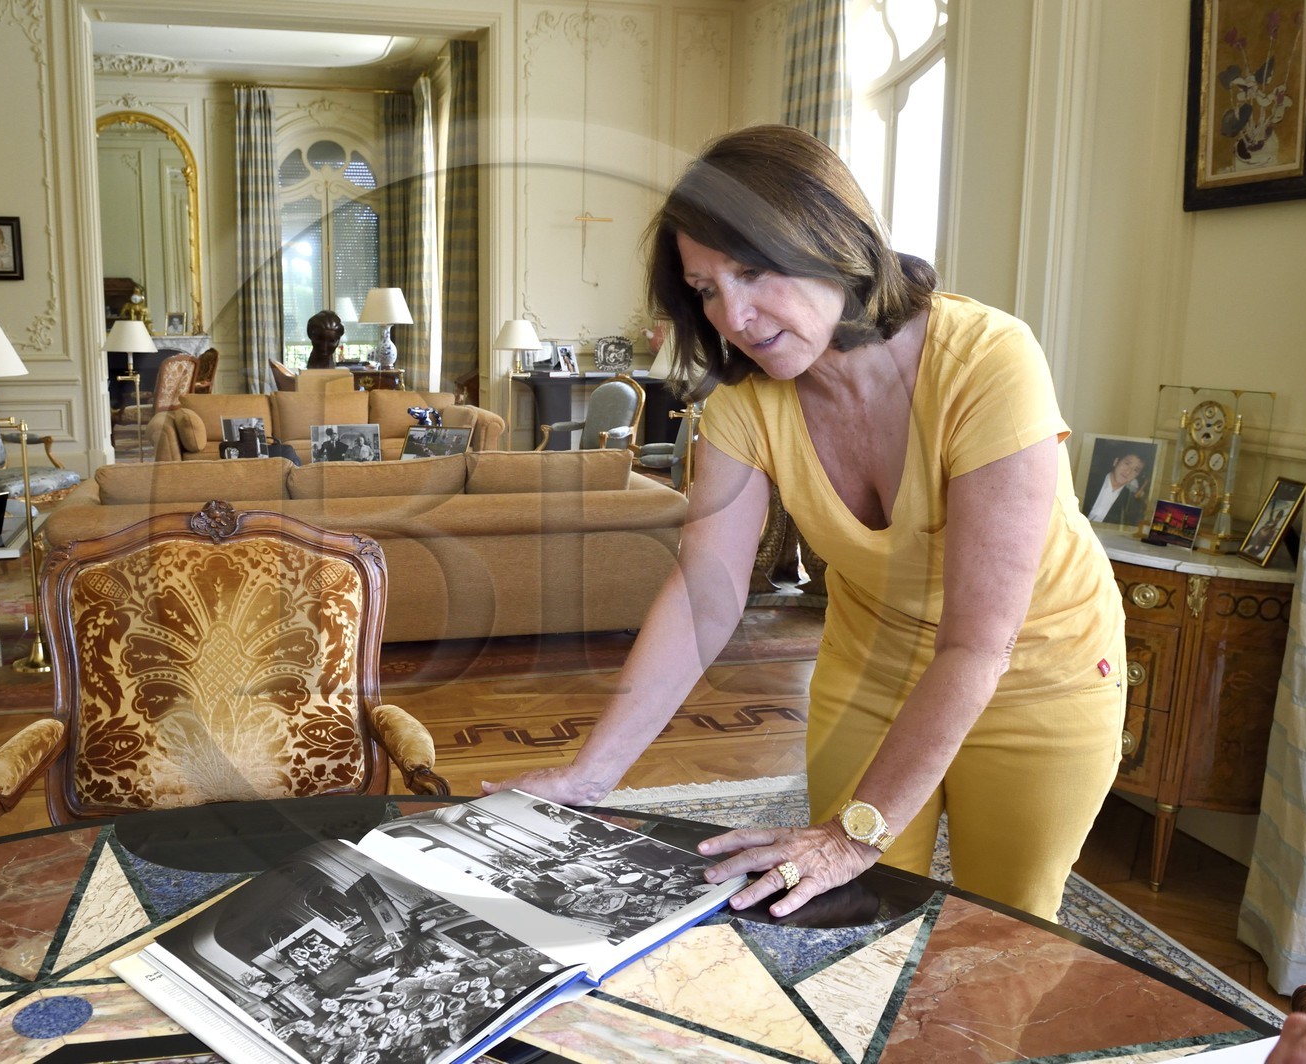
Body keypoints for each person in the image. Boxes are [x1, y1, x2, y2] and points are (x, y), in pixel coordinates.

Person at [483, 125, 1126, 923]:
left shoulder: (990, 359)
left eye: (753, 270)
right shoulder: (743, 408)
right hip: (872, 667)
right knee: (844, 915)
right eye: (708, 288)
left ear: (833, 238)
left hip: (1039, 673)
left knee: (1002, 928)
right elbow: (704, 597)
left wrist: (855, 835)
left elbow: (976, 644)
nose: (736, 316)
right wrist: (589, 774)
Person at [1085, 451, 1148, 524]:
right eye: (1127, 464)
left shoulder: (1131, 504)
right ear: (1116, 461)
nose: (1128, 472)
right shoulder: (1088, 480)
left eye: (1135, 470)